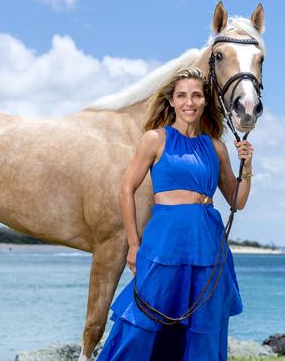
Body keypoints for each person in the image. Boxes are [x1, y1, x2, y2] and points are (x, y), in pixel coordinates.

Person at [96, 67, 254, 361]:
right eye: (181, 96)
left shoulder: (216, 147)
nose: (189, 102)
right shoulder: (154, 139)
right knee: (142, 323)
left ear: (205, 100)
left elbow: (237, 201)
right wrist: (133, 243)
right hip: (164, 241)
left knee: (203, 326)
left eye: (196, 95)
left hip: (208, 243)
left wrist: (248, 166)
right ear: (171, 101)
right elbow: (125, 189)